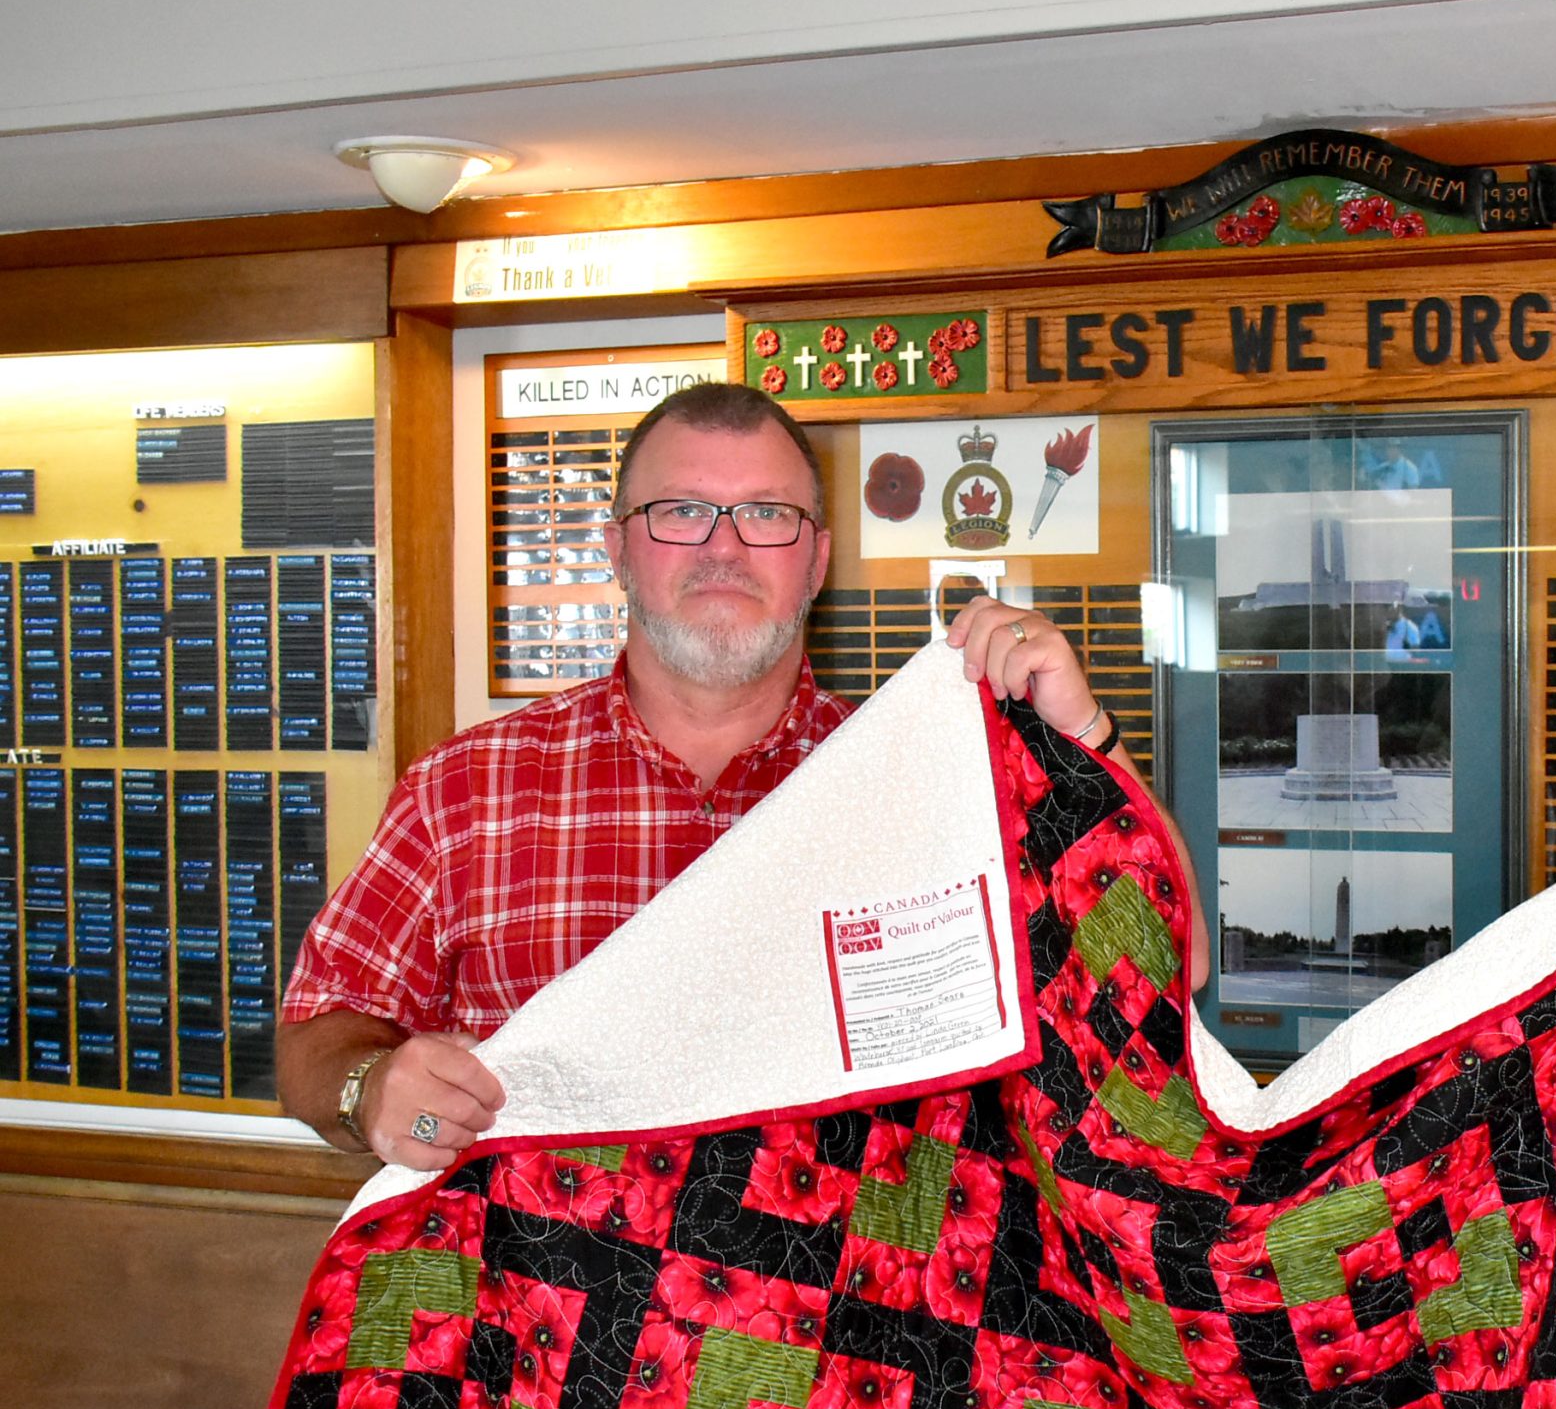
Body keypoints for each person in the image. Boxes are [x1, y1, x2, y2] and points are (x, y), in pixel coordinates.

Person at [280, 381, 1203, 1168]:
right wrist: (369, 1086)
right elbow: (314, 1037)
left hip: (847, 1352)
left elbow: (1176, 967)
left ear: (818, 558)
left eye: (766, 513)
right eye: (681, 511)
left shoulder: (924, 784)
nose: (724, 547)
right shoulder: (464, 791)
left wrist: (1081, 733)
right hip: (547, 1349)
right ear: (615, 549)